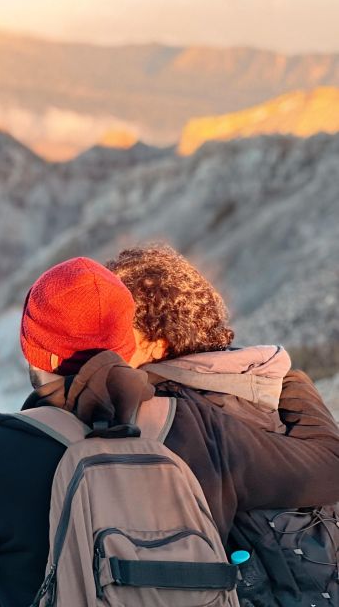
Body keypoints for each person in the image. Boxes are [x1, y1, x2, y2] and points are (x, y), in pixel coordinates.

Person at [0, 256, 339, 607]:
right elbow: (328, 469)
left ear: (33, 350)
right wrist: (290, 382)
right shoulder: (199, 428)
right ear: (125, 344)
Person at [107, 243, 339, 606]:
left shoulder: (169, 413)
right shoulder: (259, 376)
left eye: (119, 331)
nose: (109, 345)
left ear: (157, 343)